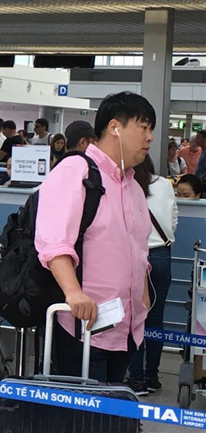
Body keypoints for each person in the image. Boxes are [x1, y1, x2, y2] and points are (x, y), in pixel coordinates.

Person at [35, 91, 155, 384]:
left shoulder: (133, 186)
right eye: (143, 127)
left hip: (125, 330)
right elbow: (54, 240)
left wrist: (142, 299)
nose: (150, 137)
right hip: (83, 328)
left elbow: (139, 249)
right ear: (115, 127)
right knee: (82, 409)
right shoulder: (76, 170)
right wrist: (73, 292)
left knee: (112, 407)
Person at [128, 154, 177, 395]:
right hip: (162, 255)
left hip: (135, 257)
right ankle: (152, 377)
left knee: (135, 319)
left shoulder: (127, 185)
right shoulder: (165, 184)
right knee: (156, 319)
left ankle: (136, 381)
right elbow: (173, 219)